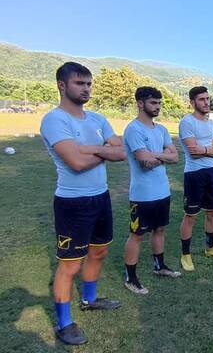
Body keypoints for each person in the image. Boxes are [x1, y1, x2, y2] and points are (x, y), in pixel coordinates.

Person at [40, 62, 126, 345]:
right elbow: (75, 163)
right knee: (70, 265)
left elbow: (121, 151)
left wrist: (90, 148)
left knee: (99, 252)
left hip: (100, 197)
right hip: (72, 204)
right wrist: (103, 150)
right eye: (80, 83)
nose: (86, 88)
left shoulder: (97, 119)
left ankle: (89, 299)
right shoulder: (55, 120)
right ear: (62, 86)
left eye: (89, 83)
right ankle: (64, 323)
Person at [122, 87, 181, 294]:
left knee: (160, 230)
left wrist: (155, 155)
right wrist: (163, 155)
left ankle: (159, 267)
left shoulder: (162, 129)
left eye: (159, 103)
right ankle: (130, 277)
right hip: (142, 195)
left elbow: (175, 157)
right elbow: (144, 162)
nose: (158, 107)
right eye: (153, 103)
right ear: (140, 103)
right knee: (137, 235)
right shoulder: (134, 129)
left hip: (162, 191)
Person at [178, 86, 213, 272]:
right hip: (194, 174)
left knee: (212, 212)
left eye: (207, 98)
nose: (206, 102)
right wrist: (210, 150)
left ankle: (210, 248)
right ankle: (186, 254)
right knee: (190, 215)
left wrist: (205, 149)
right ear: (192, 102)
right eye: (202, 99)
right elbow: (194, 153)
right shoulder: (187, 122)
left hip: (212, 172)